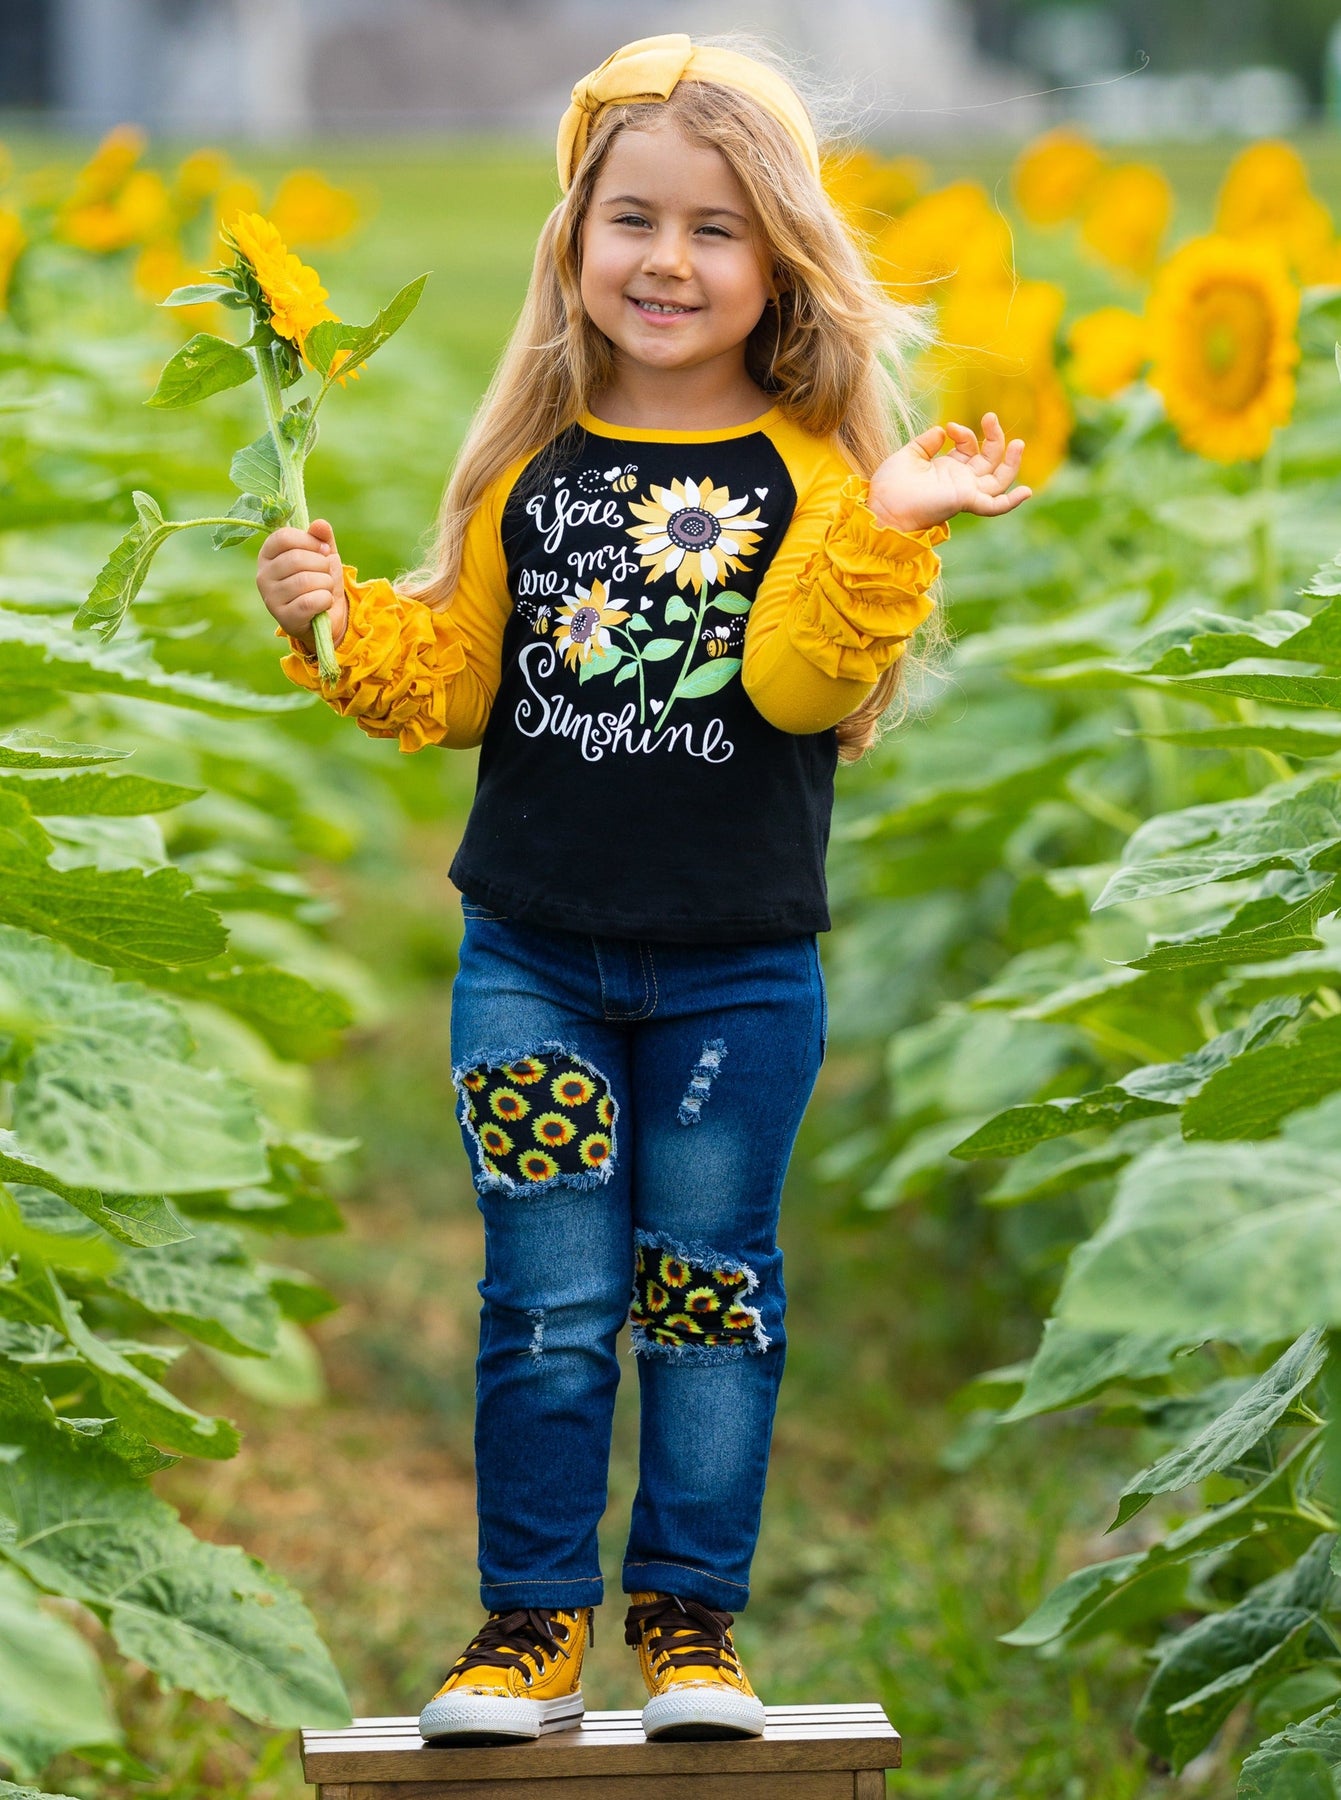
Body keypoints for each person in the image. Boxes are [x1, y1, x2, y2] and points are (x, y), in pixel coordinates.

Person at [256, 31, 1030, 1750]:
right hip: (526, 960)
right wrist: (332, 620)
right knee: (543, 1304)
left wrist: (892, 526)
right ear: (575, 238)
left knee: (705, 1296)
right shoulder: (527, 471)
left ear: (779, 264)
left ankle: (691, 1626)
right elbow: (457, 684)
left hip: (733, 982)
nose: (667, 260)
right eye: (633, 219)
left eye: (714, 228)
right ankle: (528, 1631)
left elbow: (798, 690)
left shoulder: (815, 482)